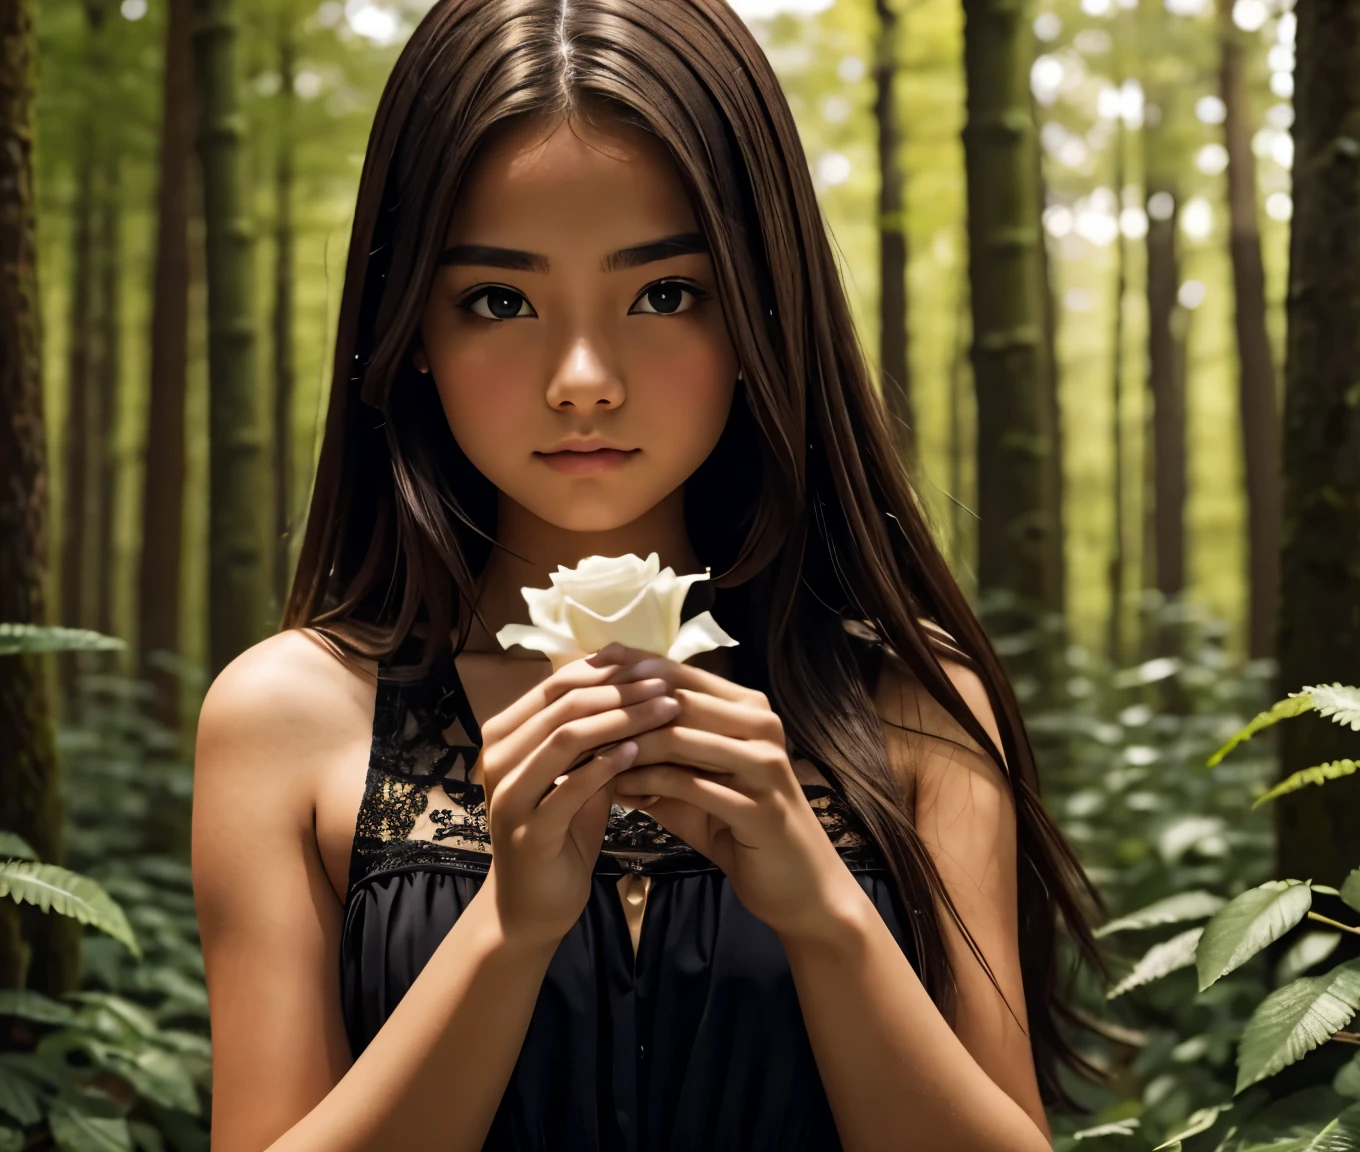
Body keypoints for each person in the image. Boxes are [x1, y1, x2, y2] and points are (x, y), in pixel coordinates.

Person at [190, 1, 1104, 1148]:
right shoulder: (288, 720)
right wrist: (503, 934)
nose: (583, 379)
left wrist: (823, 914)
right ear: (410, 320)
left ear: (764, 309)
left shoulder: (915, 709)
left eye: (665, 293)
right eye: (500, 300)